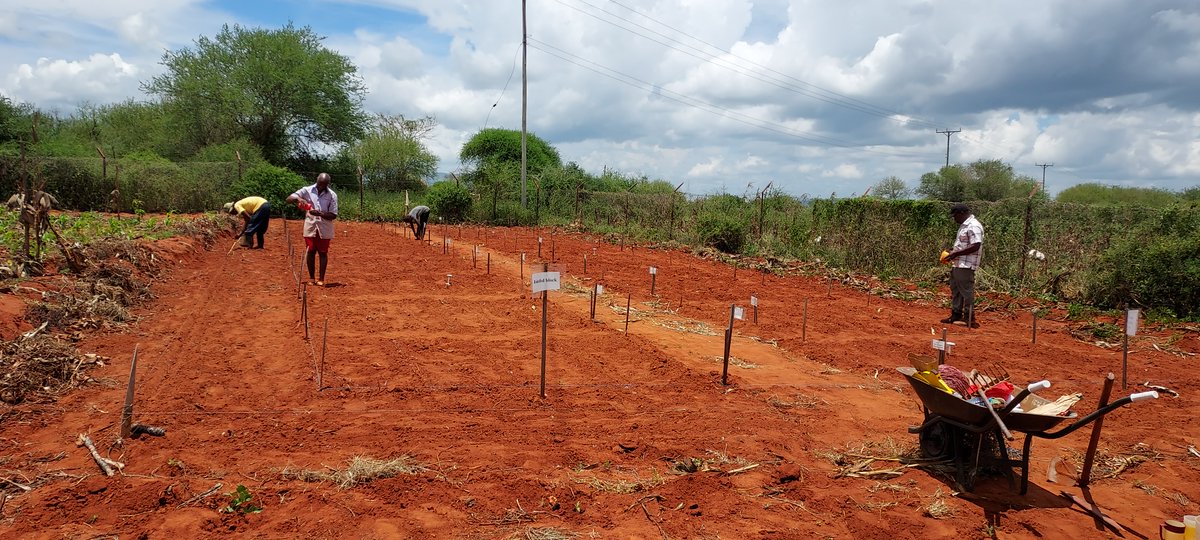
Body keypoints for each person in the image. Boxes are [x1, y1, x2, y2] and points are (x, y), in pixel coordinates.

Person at [286, 173, 338, 286]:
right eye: (319, 184)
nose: (320, 187)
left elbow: (333, 215)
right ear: (317, 181)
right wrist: (299, 199)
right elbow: (289, 199)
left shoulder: (332, 195)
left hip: (325, 227)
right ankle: (311, 278)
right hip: (310, 225)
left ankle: (321, 279)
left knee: (323, 252)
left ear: (327, 184)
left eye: (323, 185)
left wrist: (319, 213)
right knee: (311, 251)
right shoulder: (307, 190)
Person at [941, 203, 984, 327]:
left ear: (962, 214)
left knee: (966, 291)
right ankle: (956, 314)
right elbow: (965, 244)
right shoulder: (964, 225)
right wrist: (953, 251)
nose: (954, 219)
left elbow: (976, 245)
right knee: (956, 290)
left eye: (955, 216)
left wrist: (956, 253)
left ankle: (969, 317)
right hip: (959, 263)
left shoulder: (973, 226)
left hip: (966, 265)